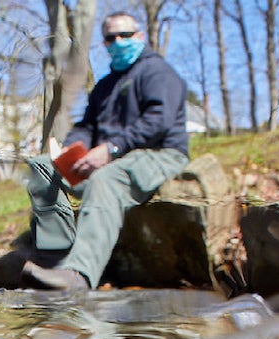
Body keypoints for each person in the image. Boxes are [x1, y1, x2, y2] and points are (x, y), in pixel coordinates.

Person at [22, 11, 189, 290]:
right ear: (105, 43)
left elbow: (159, 120)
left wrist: (111, 149)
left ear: (139, 36)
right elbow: (87, 125)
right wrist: (72, 149)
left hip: (158, 154)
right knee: (42, 168)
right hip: (108, 157)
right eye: (111, 37)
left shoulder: (158, 73)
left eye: (125, 35)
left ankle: (79, 275)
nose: (119, 41)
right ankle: (53, 261)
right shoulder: (104, 86)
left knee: (105, 178)